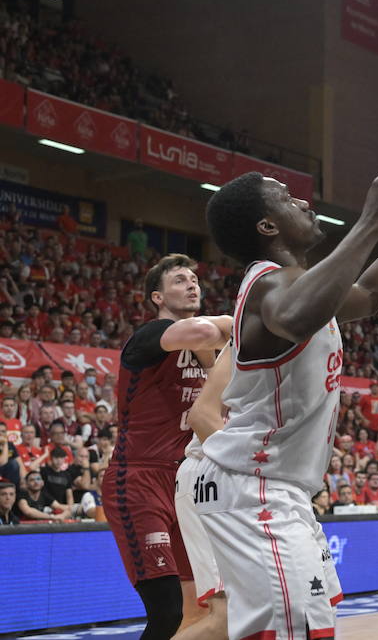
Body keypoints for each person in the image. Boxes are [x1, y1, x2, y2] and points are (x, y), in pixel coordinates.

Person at [193, 165, 378, 640]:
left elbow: (369, 293)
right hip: (254, 486)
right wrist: (370, 222)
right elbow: (293, 316)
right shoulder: (269, 283)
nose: (304, 202)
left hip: (278, 489)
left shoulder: (299, 286)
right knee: (293, 633)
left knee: (310, 625)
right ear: (267, 227)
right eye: (287, 199)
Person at [101, 255, 232, 640]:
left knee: (200, 610)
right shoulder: (149, 337)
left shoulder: (206, 352)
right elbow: (209, 333)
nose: (192, 285)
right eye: (179, 280)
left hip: (184, 483)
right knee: (167, 610)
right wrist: (251, 317)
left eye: (195, 279)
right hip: (138, 479)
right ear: (157, 296)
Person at [172, 348, 235, 640]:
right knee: (224, 617)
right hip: (210, 473)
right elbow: (201, 415)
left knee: (255, 611)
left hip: (231, 477)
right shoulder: (246, 339)